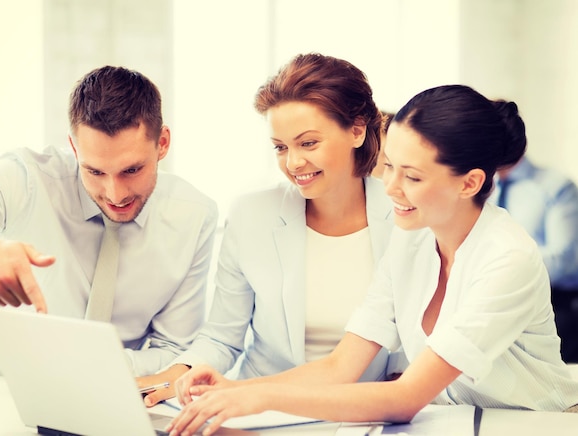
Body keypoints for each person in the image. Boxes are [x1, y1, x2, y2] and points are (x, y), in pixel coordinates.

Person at [163, 84, 578, 436]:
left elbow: (404, 398)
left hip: (536, 425)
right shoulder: (411, 238)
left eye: (412, 177)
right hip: (455, 422)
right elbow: (342, 365)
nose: (391, 188)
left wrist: (259, 397)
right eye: (391, 167)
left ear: (470, 183)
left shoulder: (507, 259)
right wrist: (232, 391)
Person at [137, 52, 398, 406]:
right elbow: (222, 338)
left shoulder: (406, 218)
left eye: (308, 143)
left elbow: (409, 354)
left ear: (356, 129)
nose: (293, 163)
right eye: (280, 147)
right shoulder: (252, 214)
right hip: (258, 409)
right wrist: (171, 377)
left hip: (360, 409)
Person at [0, 66, 218, 376]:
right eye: (94, 172)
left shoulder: (195, 217)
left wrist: (94, 368)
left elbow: (173, 350)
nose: (115, 194)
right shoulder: (26, 177)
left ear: (162, 143)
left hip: (112, 393)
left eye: (131, 170)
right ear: (74, 147)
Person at [493, 156, 578, 363]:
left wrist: (498, 269)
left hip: (553, 302)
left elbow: (562, 260)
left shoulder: (555, 186)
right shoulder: (476, 187)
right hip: (496, 305)